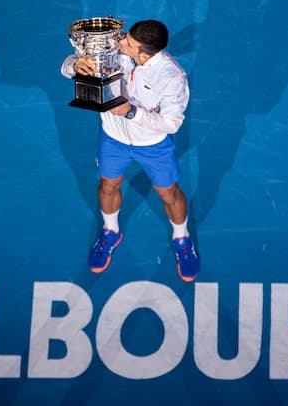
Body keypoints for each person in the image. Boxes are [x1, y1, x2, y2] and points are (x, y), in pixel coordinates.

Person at [60, 20, 199, 282]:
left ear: (144, 55)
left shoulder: (172, 77)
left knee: (169, 194)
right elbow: (67, 65)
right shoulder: (115, 48)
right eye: (125, 36)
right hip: (113, 139)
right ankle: (110, 231)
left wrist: (131, 112)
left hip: (153, 145)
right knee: (108, 186)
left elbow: (172, 123)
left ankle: (182, 238)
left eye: (128, 43)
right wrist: (75, 66)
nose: (120, 42)